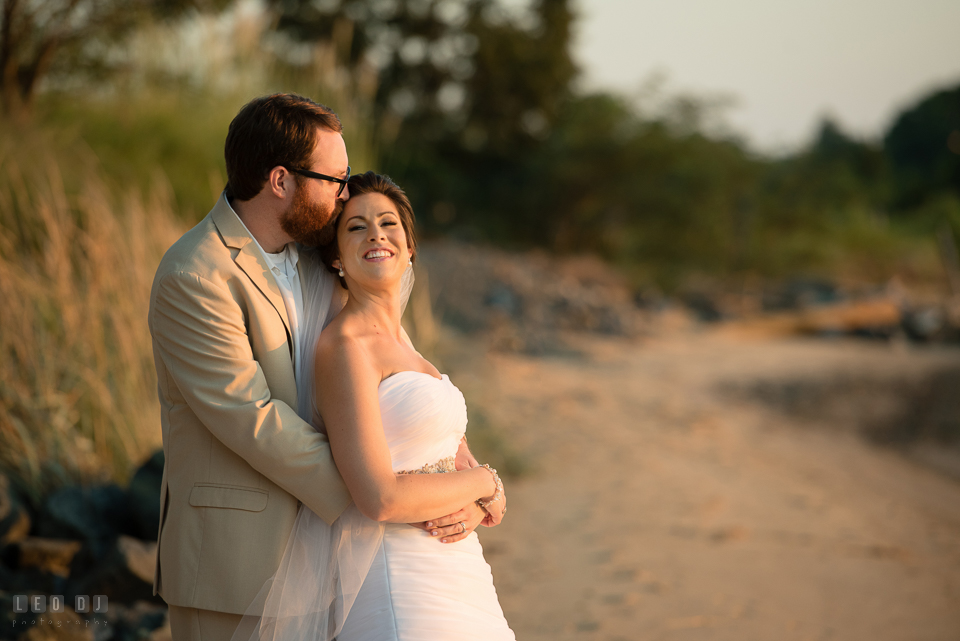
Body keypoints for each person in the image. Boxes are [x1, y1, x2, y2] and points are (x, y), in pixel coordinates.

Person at [147, 94, 495, 641]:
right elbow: (252, 417)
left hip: (335, 563)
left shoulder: (319, 258)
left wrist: (462, 489)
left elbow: (393, 384)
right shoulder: (196, 274)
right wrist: (384, 494)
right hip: (236, 560)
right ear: (281, 180)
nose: (343, 192)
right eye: (335, 178)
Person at [231, 171, 514, 641]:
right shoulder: (346, 346)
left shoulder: (407, 347)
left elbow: (459, 460)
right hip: (399, 580)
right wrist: (484, 481)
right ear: (337, 257)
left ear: (409, 249)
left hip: (461, 572)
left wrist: (484, 499)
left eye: (388, 223)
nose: (376, 234)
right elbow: (379, 498)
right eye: (356, 227)